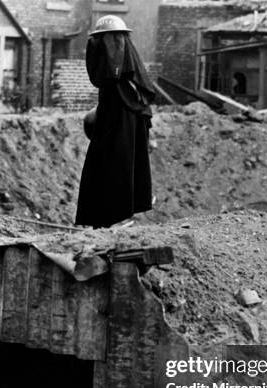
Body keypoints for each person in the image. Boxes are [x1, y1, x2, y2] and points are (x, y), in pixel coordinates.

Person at [75, 15, 156, 229]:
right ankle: (104, 220)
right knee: (102, 168)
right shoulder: (116, 85)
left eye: (107, 41)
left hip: (121, 129)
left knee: (117, 168)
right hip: (109, 125)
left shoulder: (128, 86)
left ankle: (113, 218)